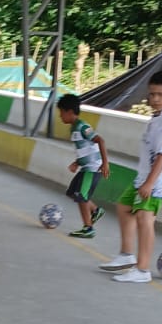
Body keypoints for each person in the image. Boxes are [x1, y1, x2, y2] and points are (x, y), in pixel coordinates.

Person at [100, 71, 162, 282]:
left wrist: (150, 183)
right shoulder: (156, 118)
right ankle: (126, 255)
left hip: (159, 179)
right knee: (124, 207)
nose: (155, 99)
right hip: (145, 176)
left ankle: (142, 270)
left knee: (145, 218)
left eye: (160, 94)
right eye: (152, 94)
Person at [57, 94, 110, 237]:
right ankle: (96, 211)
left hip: (93, 169)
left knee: (81, 196)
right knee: (72, 192)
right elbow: (84, 150)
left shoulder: (82, 126)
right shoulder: (73, 128)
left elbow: (100, 141)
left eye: (61, 112)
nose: (60, 116)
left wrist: (105, 163)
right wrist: (77, 162)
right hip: (85, 167)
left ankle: (88, 228)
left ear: (69, 112)